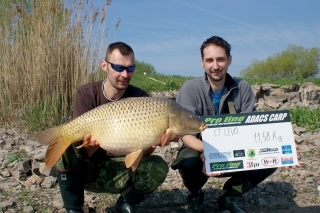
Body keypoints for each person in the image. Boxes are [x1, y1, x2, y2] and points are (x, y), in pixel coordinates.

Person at [171, 36, 297, 213]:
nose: (215, 66)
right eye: (210, 60)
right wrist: (209, 152)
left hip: (236, 149)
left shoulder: (243, 87)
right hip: (199, 148)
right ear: (202, 63)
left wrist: (283, 151)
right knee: (188, 161)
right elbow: (185, 134)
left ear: (229, 60)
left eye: (220, 59)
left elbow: (249, 131)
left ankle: (229, 195)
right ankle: (195, 194)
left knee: (269, 160)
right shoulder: (190, 88)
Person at [55, 42, 176, 213]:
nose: (125, 74)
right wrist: (89, 149)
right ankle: (74, 208)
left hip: (120, 169)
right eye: (119, 68)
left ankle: (125, 203)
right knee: (66, 144)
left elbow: (143, 152)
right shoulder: (87, 93)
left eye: (130, 68)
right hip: (86, 171)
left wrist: (152, 145)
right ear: (105, 66)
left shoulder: (141, 98)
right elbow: (81, 152)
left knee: (158, 166)